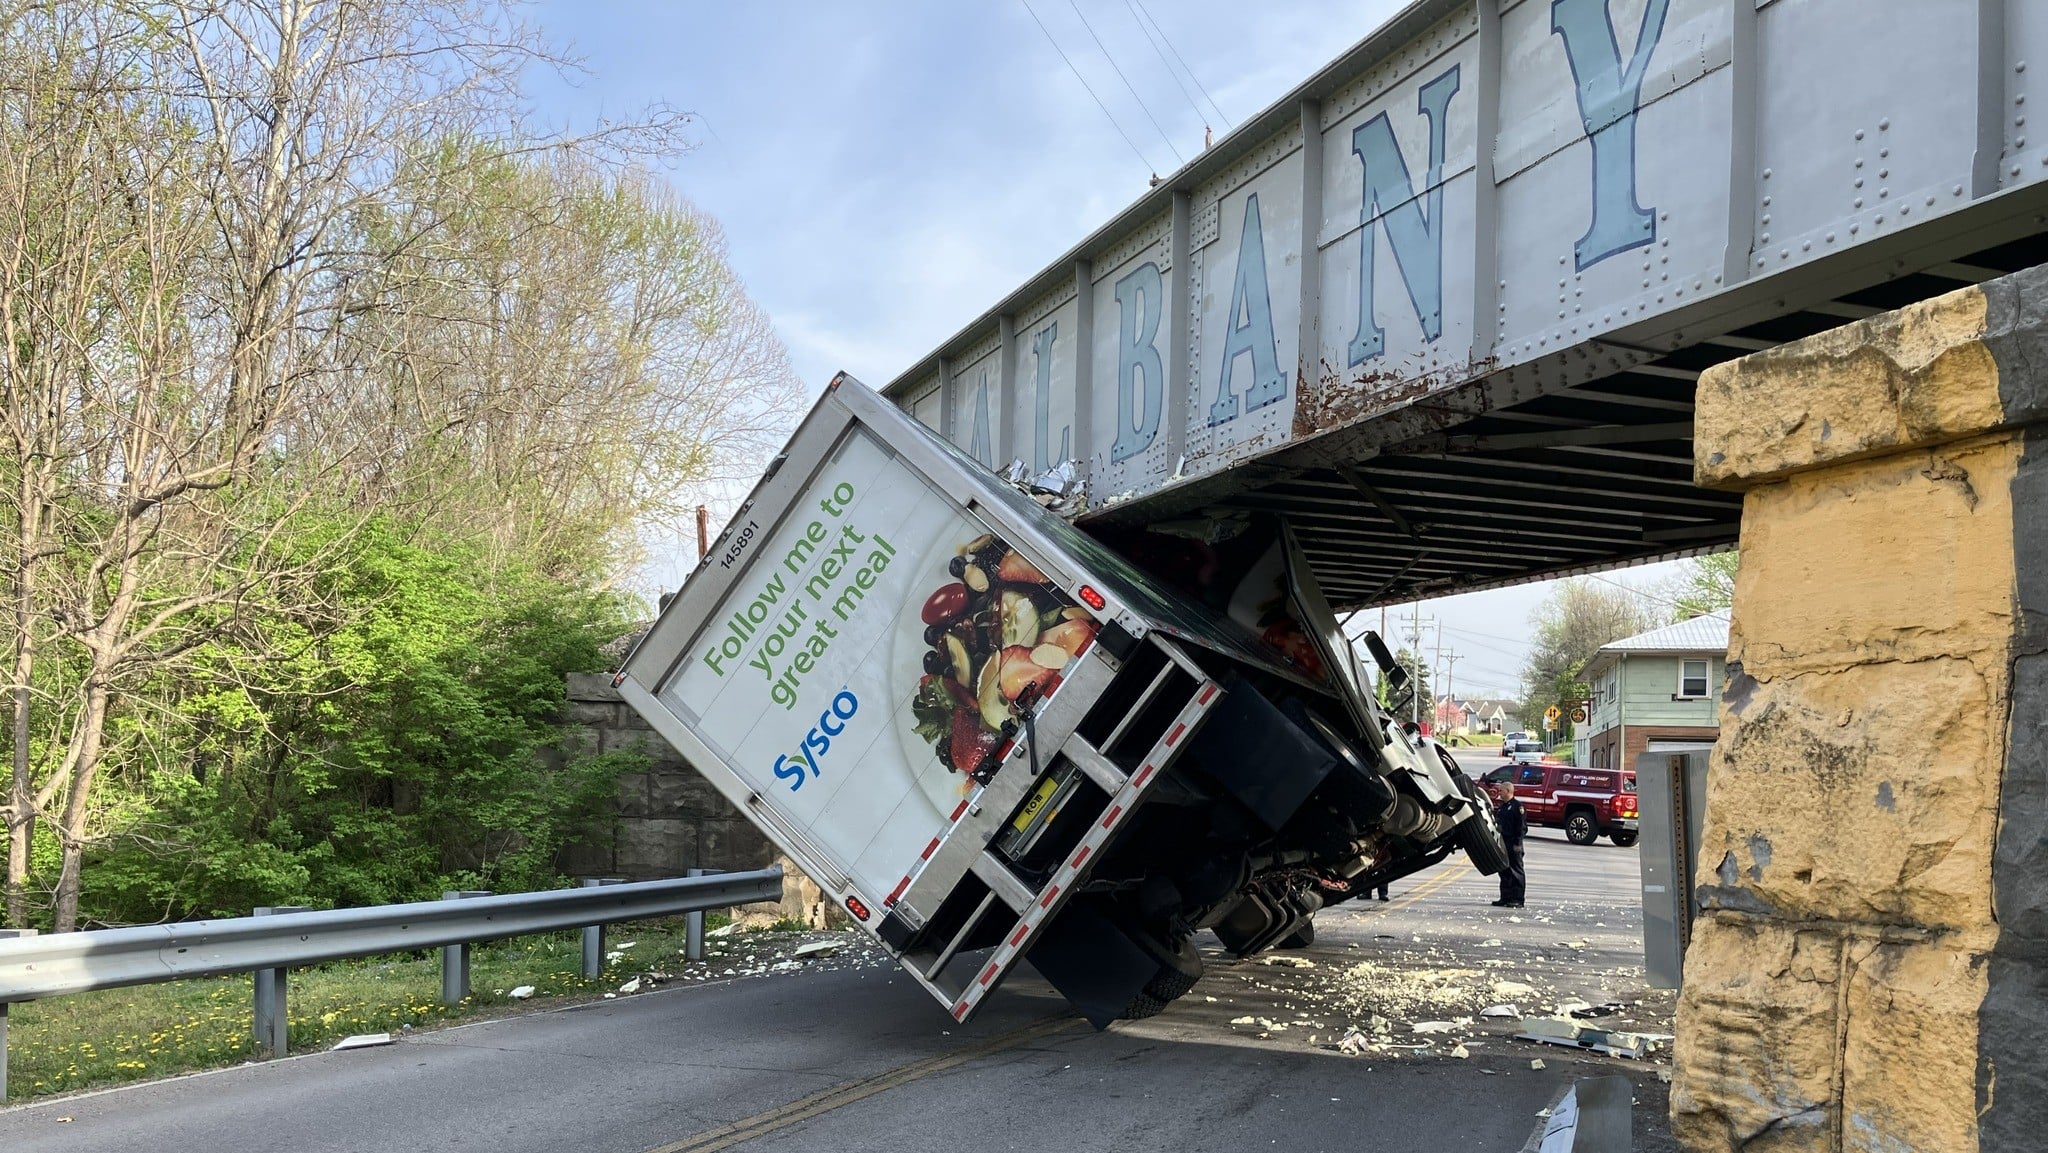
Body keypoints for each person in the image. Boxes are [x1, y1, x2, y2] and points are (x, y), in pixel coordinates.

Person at [1490, 779, 1526, 908]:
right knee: (1504, 871)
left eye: (1501, 790)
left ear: (1508, 791)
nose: (1499, 793)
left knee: (1516, 871)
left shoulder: (1517, 807)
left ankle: (1518, 899)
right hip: (1503, 843)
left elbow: (1521, 827)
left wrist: (1517, 843)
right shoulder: (1502, 807)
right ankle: (1505, 897)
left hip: (1514, 843)